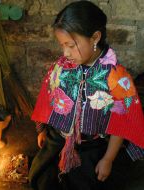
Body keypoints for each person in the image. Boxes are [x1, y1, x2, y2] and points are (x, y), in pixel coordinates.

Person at [29, 1, 144, 190]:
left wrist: (108, 159)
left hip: (91, 150)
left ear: (95, 37)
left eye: (72, 45)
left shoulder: (117, 77)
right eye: (62, 45)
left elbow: (122, 122)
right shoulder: (62, 67)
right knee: (43, 180)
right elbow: (47, 97)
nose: (65, 52)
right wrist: (42, 129)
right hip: (56, 142)